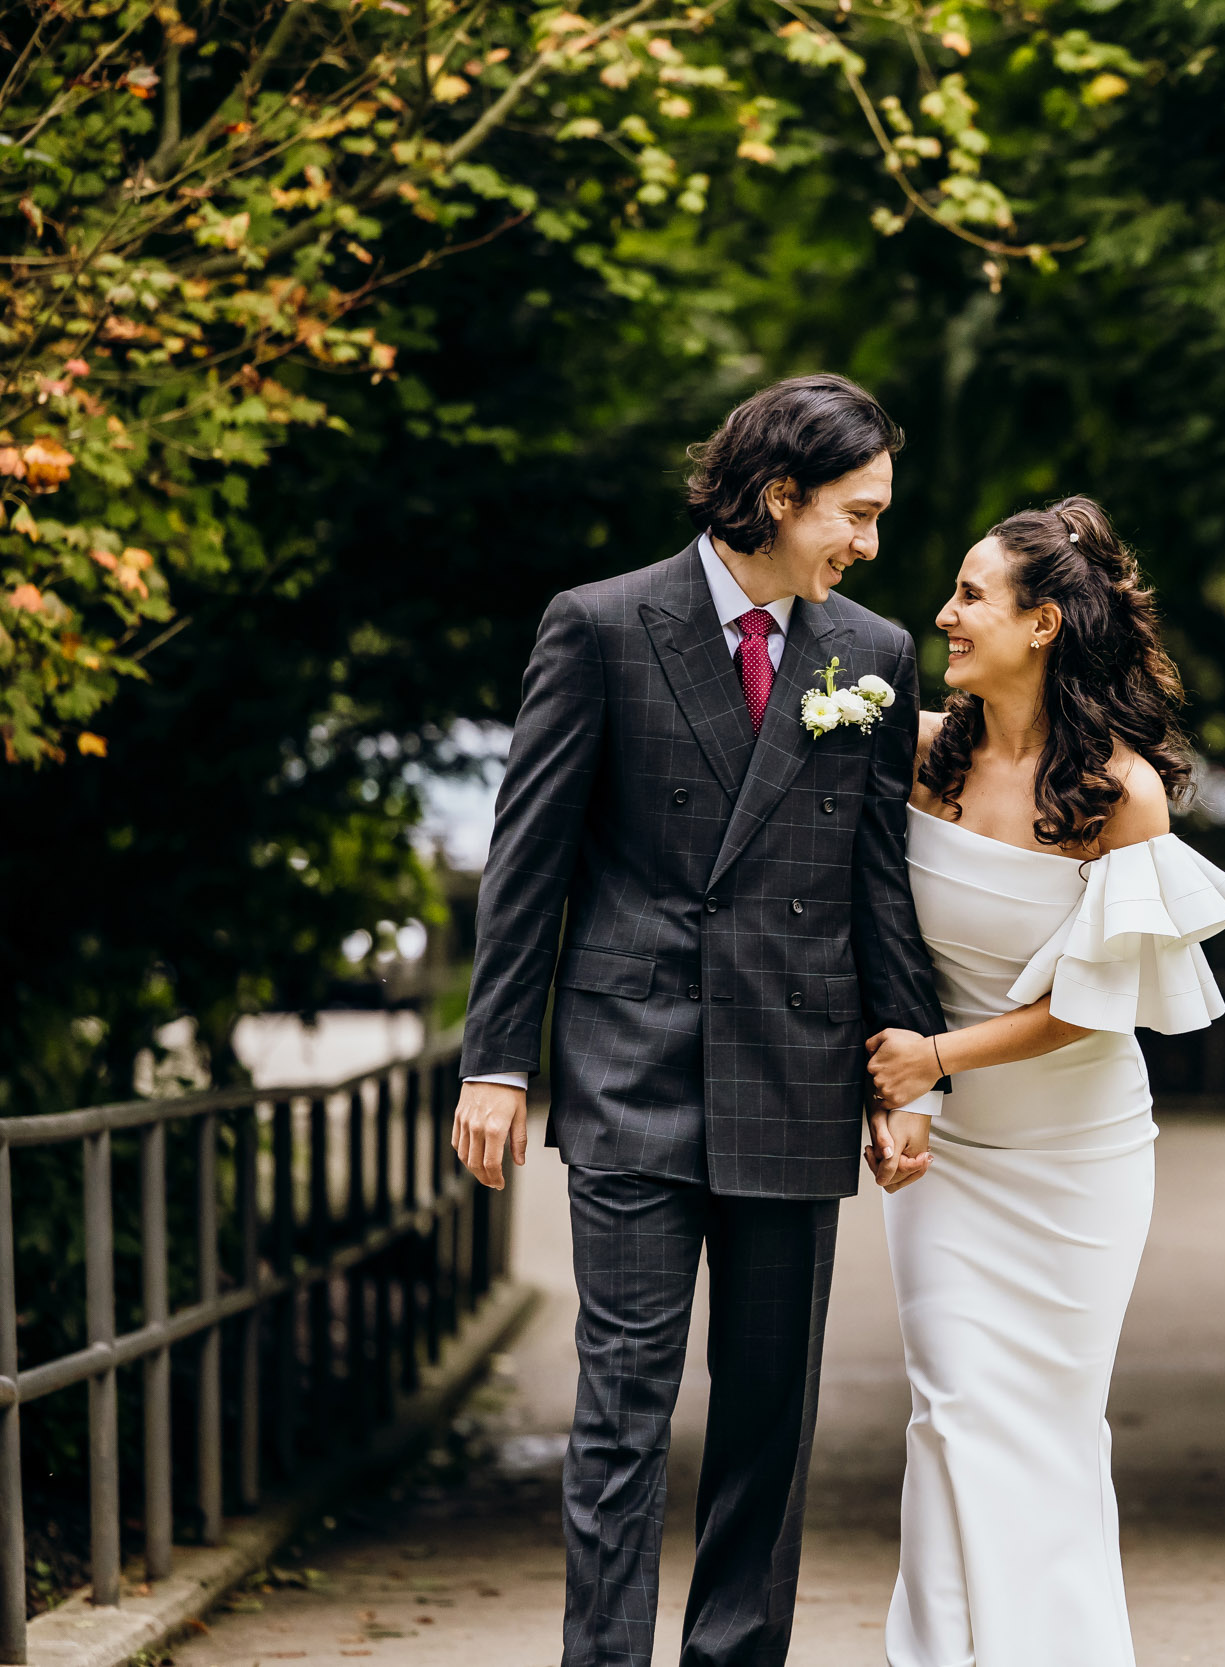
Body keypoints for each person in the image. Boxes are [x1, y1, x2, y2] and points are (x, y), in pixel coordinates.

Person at [450, 373, 947, 1667]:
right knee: (620, 1407)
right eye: (858, 511)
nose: (870, 544)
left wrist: (908, 1077)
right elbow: (529, 860)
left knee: (768, 1414)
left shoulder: (874, 653)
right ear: (780, 495)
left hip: (794, 1070)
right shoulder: (603, 625)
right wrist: (498, 1060)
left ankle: (735, 1655)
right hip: (632, 1071)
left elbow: (876, 881)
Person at [861, 496, 1225, 1667]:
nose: (944, 613)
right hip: (950, 1157)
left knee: (1048, 1421)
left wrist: (934, 1058)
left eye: (971, 594)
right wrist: (903, 1096)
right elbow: (873, 934)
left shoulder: (1119, 793)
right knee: (951, 1410)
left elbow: (1095, 1006)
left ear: (1041, 624)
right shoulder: (920, 751)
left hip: (1076, 1156)